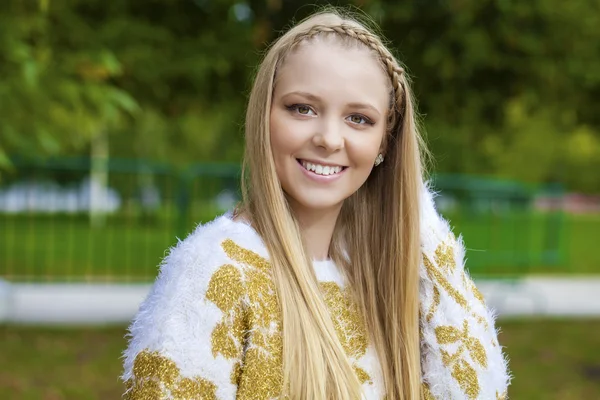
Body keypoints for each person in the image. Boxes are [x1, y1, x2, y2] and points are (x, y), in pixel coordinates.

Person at [121, 9, 510, 400]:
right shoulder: (214, 270)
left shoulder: (392, 274)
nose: (328, 138)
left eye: (358, 119)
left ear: (385, 143)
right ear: (263, 116)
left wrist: (421, 229)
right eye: (302, 108)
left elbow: (478, 390)